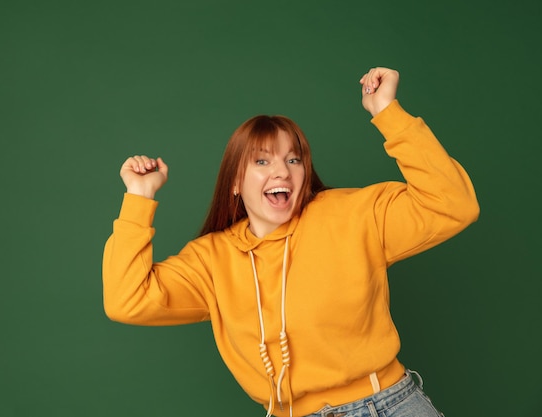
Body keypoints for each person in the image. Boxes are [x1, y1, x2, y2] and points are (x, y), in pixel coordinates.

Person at [102, 67, 479, 417]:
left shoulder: (351, 214)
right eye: (262, 162)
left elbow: (453, 205)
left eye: (294, 160)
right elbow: (127, 301)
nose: (282, 170)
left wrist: (387, 112)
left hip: (387, 405)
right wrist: (139, 197)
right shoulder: (211, 260)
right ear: (234, 182)